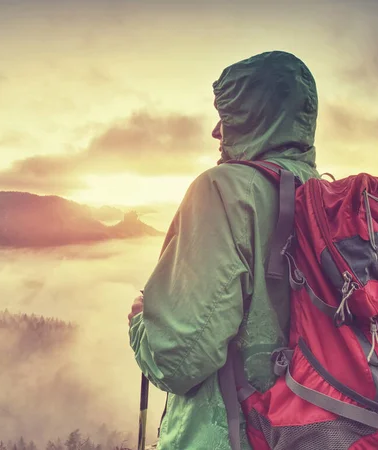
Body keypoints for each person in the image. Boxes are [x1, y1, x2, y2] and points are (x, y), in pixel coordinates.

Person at [128, 51, 320, 449]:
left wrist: (140, 326)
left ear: (257, 117)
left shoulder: (223, 190)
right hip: (311, 431)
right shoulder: (320, 193)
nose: (217, 131)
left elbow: (178, 361)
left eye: (231, 115)